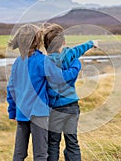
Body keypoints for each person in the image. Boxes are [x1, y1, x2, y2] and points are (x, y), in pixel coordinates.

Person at [6, 24, 81, 161]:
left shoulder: (17, 62)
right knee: (40, 154)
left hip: (21, 113)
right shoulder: (43, 61)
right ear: (37, 41)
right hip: (38, 115)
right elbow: (60, 78)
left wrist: (12, 111)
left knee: (19, 154)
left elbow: (11, 88)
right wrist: (76, 65)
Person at [43, 23, 98, 161]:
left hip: (54, 108)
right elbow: (79, 49)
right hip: (72, 106)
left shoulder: (45, 61)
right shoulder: (69, 55)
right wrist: (91, 43)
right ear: (64, 42)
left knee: (53, 143)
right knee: (72, 141)